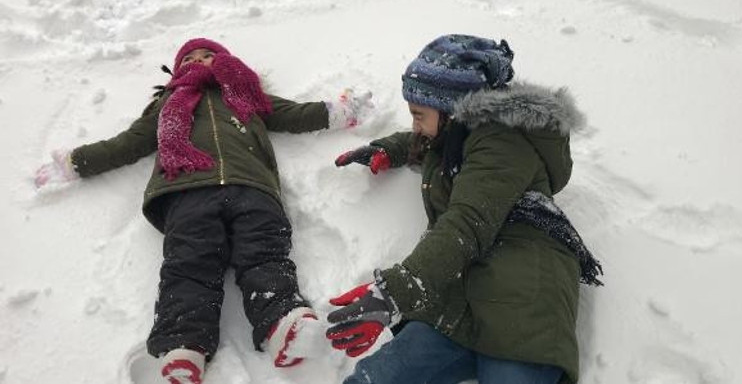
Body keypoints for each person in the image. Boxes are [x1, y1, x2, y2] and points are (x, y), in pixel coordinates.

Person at [34, 38, 373, 384]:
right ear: (175, 73)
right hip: (188, 191)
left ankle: (283, 320)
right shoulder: (167, 104)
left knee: (265, 253)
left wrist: (338, 111)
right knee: (189, 264)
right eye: (189, 59)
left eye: (207, 55)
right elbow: (128, 142)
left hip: (251, 186)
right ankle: (185, 344)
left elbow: (293, 114)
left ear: (225, 61)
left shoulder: (245, 93)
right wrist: (77, 163)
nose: (198, 60)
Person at [329, 34, 602, 384]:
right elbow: (428, 140)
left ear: (452, 110)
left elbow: (466, 224)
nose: (415, 125)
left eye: (418, 115)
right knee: (376, 378)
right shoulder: (460, 136)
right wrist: (389, 149)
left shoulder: (503, 142)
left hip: (521, 300)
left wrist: (390, 294)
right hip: (460, 302)